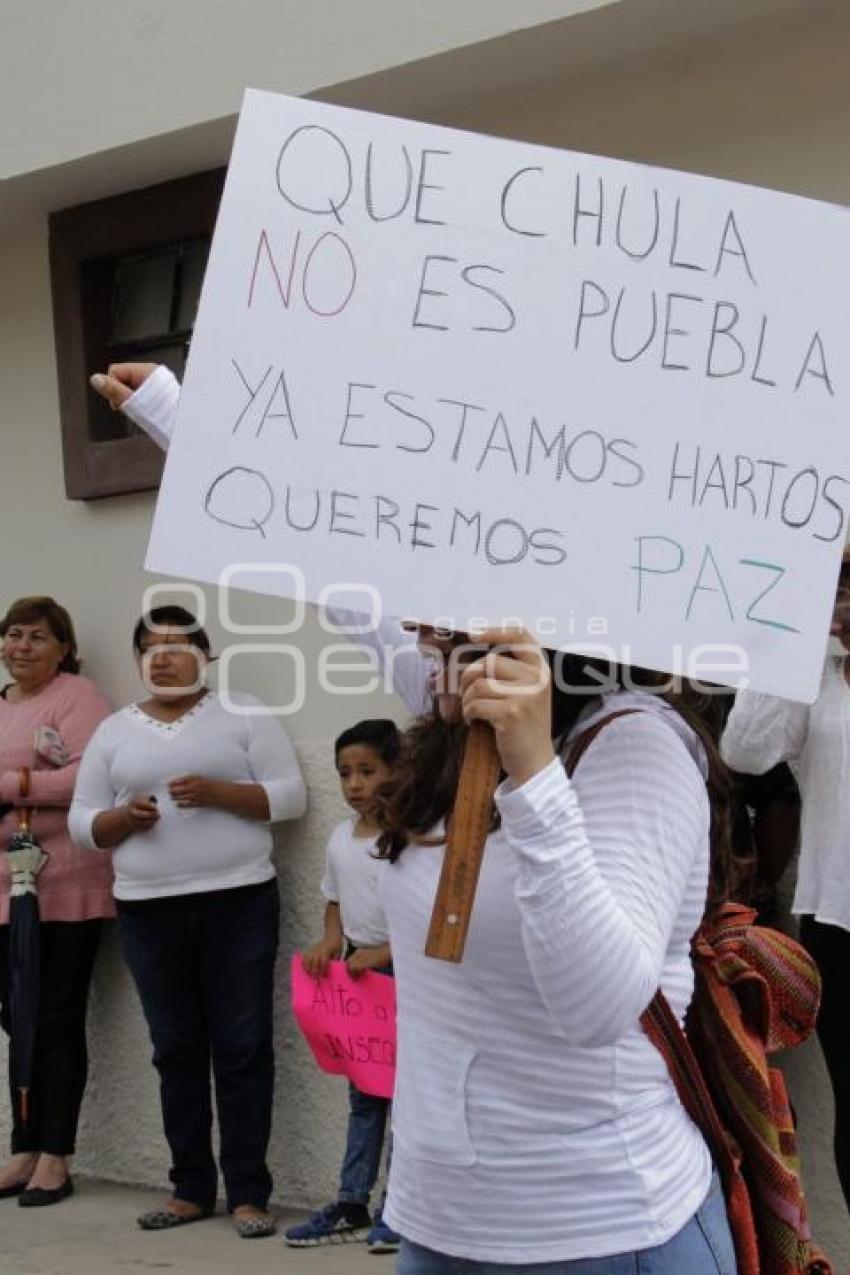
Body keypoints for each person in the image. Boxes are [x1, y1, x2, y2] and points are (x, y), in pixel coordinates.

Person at [94, 363, 740, 1272]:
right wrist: (175, 414)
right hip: (436, 1224)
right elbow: (326, 563)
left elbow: (602, 1006)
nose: (420, 610)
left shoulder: (634, 743)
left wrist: (534, 773)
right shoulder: (447, 702)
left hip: (602, 1228)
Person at [68, 606, 307, 1239]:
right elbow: (82, 822)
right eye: (151, 647)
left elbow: (291, 797)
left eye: (179, 645)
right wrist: (123, 820)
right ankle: (190, 1188)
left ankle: (250, 1193)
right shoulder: (116, 731)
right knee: (175, 1049)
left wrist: (221, 792)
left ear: (205, 655)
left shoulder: (245, 713)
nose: (165, 657)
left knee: (243, 1047)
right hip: (148, 908)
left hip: (239, 902)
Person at [720, 556, 850, 1214]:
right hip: (838, 917)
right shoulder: (818, 678)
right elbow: (745, 751)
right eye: (841, 585)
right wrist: (791, 640)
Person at [0, 595, 112, 1207]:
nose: (21, 647)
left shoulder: (78, 698)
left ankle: (55, 1154)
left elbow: (85, 776)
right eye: (13, 634)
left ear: (63, 647)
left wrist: (14, 787)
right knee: (15, 1017)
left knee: (57, 1015)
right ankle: (22, 1142)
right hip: (3, 888)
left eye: (37, 637)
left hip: (65, 881)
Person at [285, 718, 402, 1255]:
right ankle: (352, 1200)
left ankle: (399, 1208)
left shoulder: (410, 839)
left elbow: (426, 917)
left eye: (368, 771)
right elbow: (335, 898)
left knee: (407, 1098)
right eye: (345, 773)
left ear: (397, 771)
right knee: (364, 1096)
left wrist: (386, 953)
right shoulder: (339, 837)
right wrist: (332, 941)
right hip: (361, 979)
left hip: (403, 980)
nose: (355, 784)